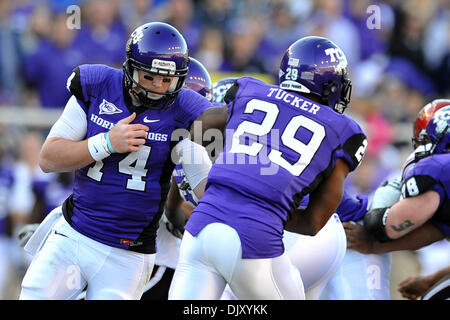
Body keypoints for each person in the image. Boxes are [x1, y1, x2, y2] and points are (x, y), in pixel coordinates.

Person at [19, 22, 227, 300]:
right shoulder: (98, 85)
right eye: (149, 77)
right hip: (75, 235)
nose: (157, 88)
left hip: (129, 255)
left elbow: (203, 184)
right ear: (130, 68)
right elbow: (48, 158)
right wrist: (106, 142)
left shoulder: (185, 109)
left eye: (167, 80)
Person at [168, 36, 367, 300]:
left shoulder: (250, 89)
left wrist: (199, 190)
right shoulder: (344, 130)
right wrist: (264, 210)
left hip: (201, 230)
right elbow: (313, 223)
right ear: (331, 86)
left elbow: (199, 129)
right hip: (255, 240)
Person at [141, 57, 213, 300]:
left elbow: (198, 218)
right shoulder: (143, 131)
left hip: (167, 261)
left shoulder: (202, 151)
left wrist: (172, 206)